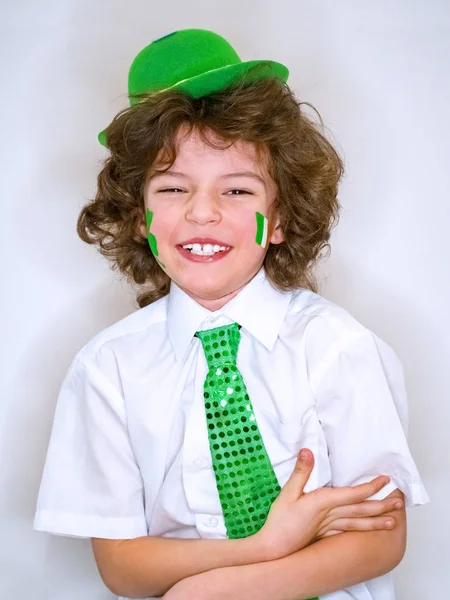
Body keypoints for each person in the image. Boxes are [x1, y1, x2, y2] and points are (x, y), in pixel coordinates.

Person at [34, 28, 429, 600]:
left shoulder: (337, 348)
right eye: (172, 189)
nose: (201, 214)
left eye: (238, 192)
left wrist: (211, 592)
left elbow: (379, 539)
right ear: (140, 217)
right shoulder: (107, 369)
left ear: (282, 217)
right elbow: (122, 566)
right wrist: (263, 546)